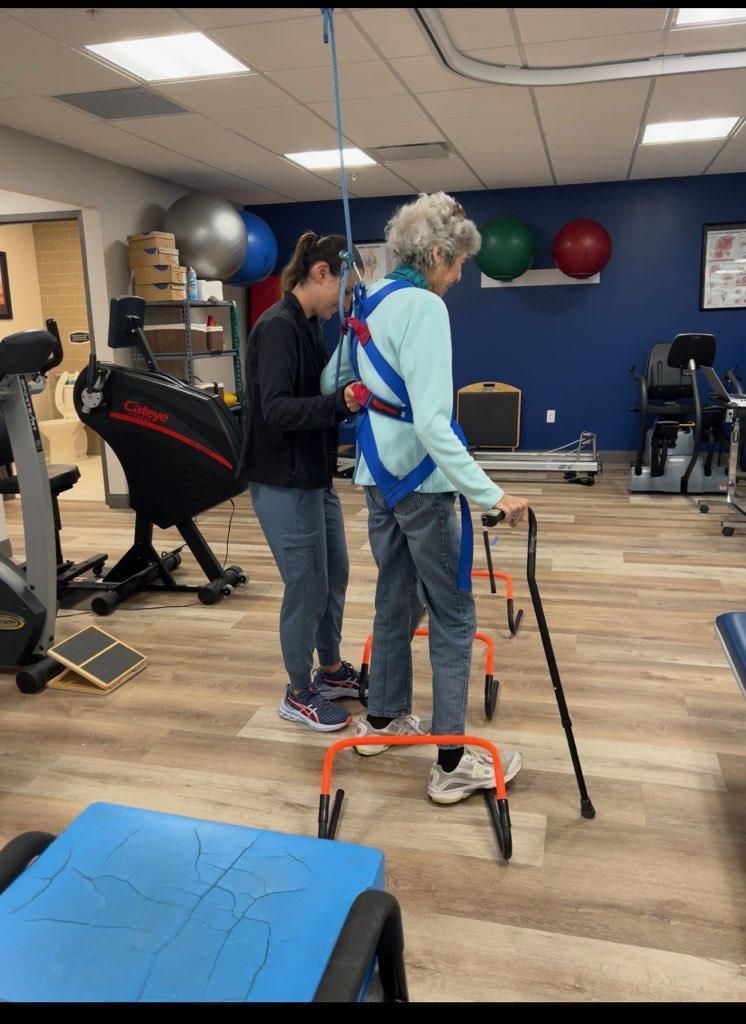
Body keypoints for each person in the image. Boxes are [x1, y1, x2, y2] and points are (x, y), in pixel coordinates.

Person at [322, 193, 529, 802]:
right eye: (459, 262)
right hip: (422, 485)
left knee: (395, 597)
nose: (460, 275)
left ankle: (381, 721)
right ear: (436, 253)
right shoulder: (425, 308)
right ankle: (451, 761)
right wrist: (494, 496)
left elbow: (338, 382)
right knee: (453, 615)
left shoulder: (372, 298)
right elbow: (436, 424)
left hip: (375, 477)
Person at [243, 232, 363, 732]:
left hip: (315, 477)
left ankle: (330, 670)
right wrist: (342, 404)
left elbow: (317, 393)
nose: (348, 300)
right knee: (307, 588)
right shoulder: (277, 328)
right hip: (282, 481)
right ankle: (298, 691)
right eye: (346, 289)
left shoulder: (312, 324)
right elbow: (275, 410)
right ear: (320, 275)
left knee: (335, 573)